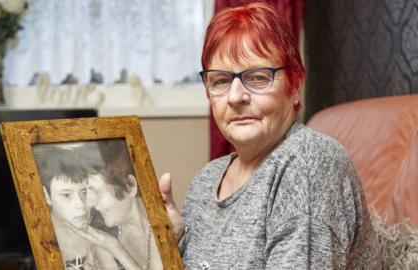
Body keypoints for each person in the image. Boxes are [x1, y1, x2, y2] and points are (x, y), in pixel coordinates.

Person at [158, 3, 380, 269]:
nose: (235, 97)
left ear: (295, 85)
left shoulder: (309, 164)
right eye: (220, 81)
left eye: (258, 77)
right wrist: (174, 246)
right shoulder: (205, 181)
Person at [34, 144, 140, 270]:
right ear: (46, 195)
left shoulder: (107, 226)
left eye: (84, 192)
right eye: (66, 195)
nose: (80, 204)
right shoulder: (36, 240)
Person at [82, 139, 163, 270]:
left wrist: (118, 251)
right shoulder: (103, 238)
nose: (91, 204)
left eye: (97, 192)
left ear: (129, 186)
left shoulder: (165, 228)